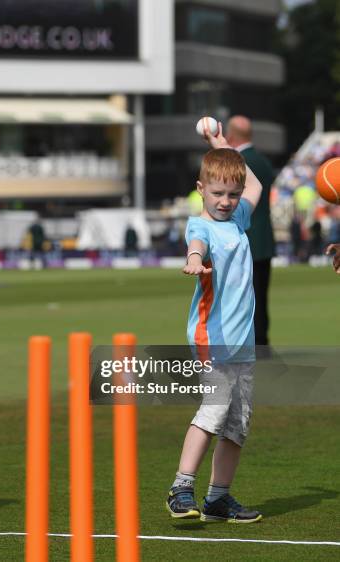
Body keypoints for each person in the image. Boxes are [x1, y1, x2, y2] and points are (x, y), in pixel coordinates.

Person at [166, 122, 263, 524]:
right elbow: (196, 244)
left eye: (232, 195)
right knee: (214, 409)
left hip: (242, 342)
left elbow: (256, 188)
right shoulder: (201, 224)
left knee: (237, 423)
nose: (226, 201)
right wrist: (193, 260)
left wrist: (224, 147)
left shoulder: (238, 218)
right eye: (218, 193)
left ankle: (218, 498)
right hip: (213, 337)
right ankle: (181, 488)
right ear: (201, 188)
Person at [226, 116, 275, 346]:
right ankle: (263, 342)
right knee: (261, 297)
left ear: (231, 137)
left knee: (242, 299)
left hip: (243, 239)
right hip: (265, 239)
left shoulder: (237, 162)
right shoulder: (264, 161)